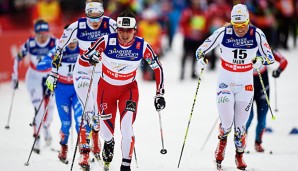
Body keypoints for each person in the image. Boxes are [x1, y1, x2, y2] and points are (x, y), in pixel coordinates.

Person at [79, 9, 166, 171]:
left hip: (129, 90)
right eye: (121, 30)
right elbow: (84, 59)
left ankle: (126, 165)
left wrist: (159, 93)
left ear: (135, 30)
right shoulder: (106, 41)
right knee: (106, 132)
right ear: (117, 29)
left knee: (127, 128)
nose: (125, 35)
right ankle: (109, 142)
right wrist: (91, 58)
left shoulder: (142, 46)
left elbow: (157, 68)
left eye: (129, 31)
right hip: (106, 89)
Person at [195, 4, 275, 170]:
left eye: (243, 25)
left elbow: (270, 58)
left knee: (240, 127)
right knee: (226, 123)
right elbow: (200, 50)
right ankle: (221, 147)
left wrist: (260, 60)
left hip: (245, 83)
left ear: (248, 21)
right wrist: (201, 58)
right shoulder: (223, 32)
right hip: (226, 81)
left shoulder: (257, 34)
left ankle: (239, 155)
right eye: (236, 25)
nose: (239, 29)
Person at [45, 0, 117, 169]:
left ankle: (97, 143)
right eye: (91, 17)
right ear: (85, 15)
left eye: (98, 17)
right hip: (83, 72)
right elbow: (59, 48)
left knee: (99, 113)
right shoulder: (77, 27)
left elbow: (126, 39)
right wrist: (54, 72)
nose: (95, 21)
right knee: (86, 111)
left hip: (103, 73)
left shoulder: (111, 24)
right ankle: (84, 155)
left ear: (103, 14)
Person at [37, 27, 83, 163]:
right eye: (69, 41)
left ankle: (84, 151)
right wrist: (53, 68)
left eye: (74, 40)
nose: (72, 44)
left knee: (80, 121)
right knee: (66, 123)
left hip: (78, 89)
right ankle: (63, 148)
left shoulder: (83, 48)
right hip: (62, 90)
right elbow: (41, 65)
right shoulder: (58, 49)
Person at [11, 19, 57, 154]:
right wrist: (14, 76)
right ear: (35, 33)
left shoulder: (55, 42)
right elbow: (18, 58)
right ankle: (37, 137)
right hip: (34, 78)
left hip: (50, 77)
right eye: (39, 34)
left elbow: (66, 56)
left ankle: (46, 127)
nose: (43, 37)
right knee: (39, 108)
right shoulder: (30, 43)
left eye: (45, 33)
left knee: (51, 108)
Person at [246, 49, 288, 152]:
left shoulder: (265, 48)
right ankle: (241, 143)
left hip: (262, 85)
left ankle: (258, 142)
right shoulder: (242, 46)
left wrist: (278, 71)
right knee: (247, 117)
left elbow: (283, 60)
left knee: (262, 117)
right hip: (247, 84)